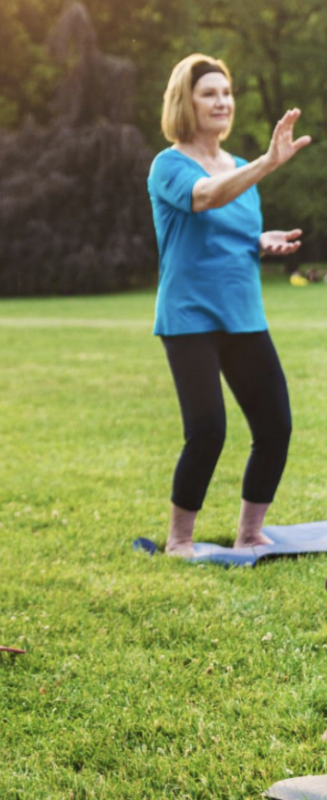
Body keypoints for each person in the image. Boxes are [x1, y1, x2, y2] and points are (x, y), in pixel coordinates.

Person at [147, 54, 310, 556]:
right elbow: (204, 199)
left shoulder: (239, 168)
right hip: (190, 317)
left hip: (242, 314)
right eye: (208, 94)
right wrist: (268, 163)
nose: (222, 102)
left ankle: (250, 531)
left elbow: (228, 227)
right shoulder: (168, 165)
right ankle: (180, 539)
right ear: (186, 103)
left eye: (226, 93)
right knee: (207, 430)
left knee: (275, 425)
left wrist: (261, 241)